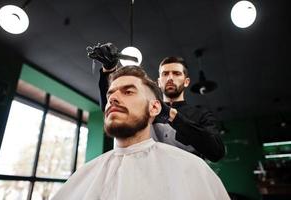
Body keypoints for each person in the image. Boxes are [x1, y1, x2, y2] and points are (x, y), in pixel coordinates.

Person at [52, 66, 230, 200]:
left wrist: (172, 115)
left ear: (154, 107)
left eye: (128, 91)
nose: (112, 98)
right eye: (109, 95)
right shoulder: (84, 176)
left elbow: (216, 150)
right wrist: (107, 71)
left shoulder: (192, 168)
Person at [87, 43, 225, 162]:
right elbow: (115, 106)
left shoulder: (201, 115)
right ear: (159, 81)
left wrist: (172, 116)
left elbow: (216, 152)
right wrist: (109, 69)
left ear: (186, 81)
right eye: (165, 74)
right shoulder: (147, 108)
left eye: (176, 74)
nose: (170, 78)